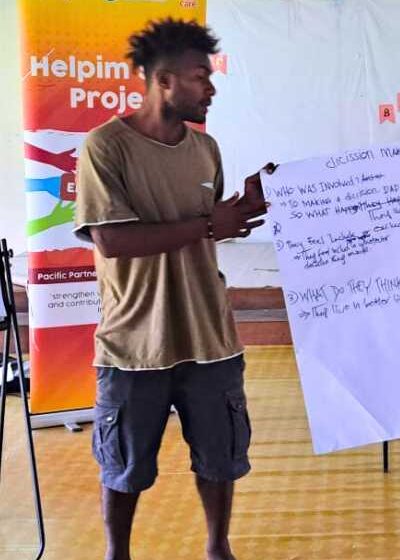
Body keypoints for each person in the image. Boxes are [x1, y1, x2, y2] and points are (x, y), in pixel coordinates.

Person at [73, 18, 273, 560]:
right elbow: (111, 241)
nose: (211, 88)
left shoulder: (207, 150)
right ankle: (118, 554)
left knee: (221, 456)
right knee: (125, 466)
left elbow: (211, 226)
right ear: (163, 82)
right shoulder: (105, 148)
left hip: (210, 335)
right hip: (135, 343)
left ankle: (217, 548)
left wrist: (242, 212)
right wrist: (210, 225)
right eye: (199, 76)